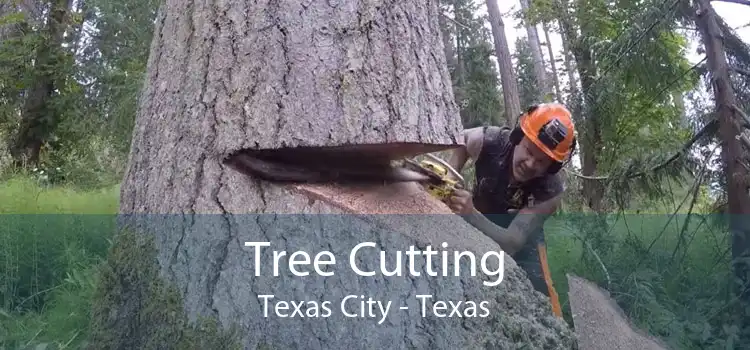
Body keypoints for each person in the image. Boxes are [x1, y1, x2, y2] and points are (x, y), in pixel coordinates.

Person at [445, 103, 577, 318]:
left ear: (552, 167)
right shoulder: (490, 140)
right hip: (479, 218)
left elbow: (513, 242)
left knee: (542, 298)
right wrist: (450, 177)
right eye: (529, 151)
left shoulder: (550, 191)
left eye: (542, 162)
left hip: (523, 241)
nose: (531, 163)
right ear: (518, 137)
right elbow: (462, 140)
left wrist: (470, 214)